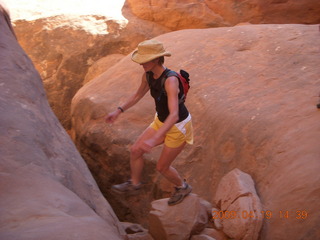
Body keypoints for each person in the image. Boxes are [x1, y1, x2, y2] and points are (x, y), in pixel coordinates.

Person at [105, 39, 193, 206]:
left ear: (157, 59)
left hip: (178, 126)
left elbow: (174, 115)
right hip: (161, 120)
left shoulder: (170, 80)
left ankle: (182, 187)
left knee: (162, 168)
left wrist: (154, 140)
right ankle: (135, 184)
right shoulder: (148, 75)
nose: (141, 64)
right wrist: (118, 111)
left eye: (145, 60)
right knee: (135, 150)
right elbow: (137, 95)